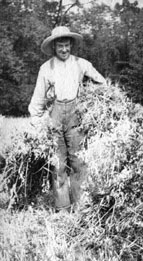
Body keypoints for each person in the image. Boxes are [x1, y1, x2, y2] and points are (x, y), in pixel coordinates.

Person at [29, 26, 106, 212]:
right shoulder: (46, 68)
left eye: (67, 45)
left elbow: (102, 83)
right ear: (54, 47)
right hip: (55, 114)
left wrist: (92, 100)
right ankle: (62, 207)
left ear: (71, 45)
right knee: (57, 162)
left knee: (78, 160)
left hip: (75, 114)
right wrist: (36, 120)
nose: (64, 50)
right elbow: (38, 97)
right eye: (60, 46)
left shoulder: (82, 64)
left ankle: (82, 205)